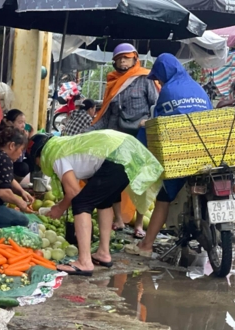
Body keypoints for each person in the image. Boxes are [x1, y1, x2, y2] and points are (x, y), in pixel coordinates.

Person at [30, 130, 163, 276]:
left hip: (118, 156)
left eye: (37, 163)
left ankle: (84, 262)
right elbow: (90, 181)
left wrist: (60, 208)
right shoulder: (63, 146)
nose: (40, 167)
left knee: (81, 204)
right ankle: (103, 253)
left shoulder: (55, 155)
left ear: (39, 156)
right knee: (103, 202)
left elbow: (74, 192)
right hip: (126, 154)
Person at [129, 53, 213, 258]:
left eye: (159, 76)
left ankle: (146, 246)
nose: (159, 80)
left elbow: (158, 123)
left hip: (180, 152)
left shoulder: (168, 89)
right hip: (207, 151)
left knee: (163, 198)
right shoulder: (198, 88)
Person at [92, 43, 159, 239]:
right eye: (119, 58)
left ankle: (139, 224)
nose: (122, 60)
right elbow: (105, 115)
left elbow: (156, 107)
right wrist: (86, 132)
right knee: (112, 179)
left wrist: (148, 123)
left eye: (126, 57)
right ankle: (119, 219)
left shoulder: (146, 78)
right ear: (114, 61)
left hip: (139, 139)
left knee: (141, 181)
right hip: (116, 140)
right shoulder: (112, 82)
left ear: (134, 58)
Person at [0, 109, 34, 186]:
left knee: (33, 160)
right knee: (23, 167)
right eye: (20, 122)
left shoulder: (17, 134)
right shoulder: (8, 135)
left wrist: (30, 138)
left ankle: (12, 183)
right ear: (9, 123)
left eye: (24, 122)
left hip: (6, 163)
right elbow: (18, 158)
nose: (23, 126)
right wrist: (24, 140)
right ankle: (8, 183)